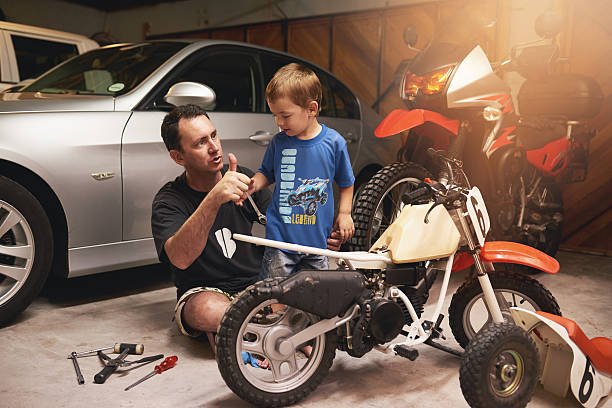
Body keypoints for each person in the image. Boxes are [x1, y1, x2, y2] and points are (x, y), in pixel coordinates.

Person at [151, 104, 343, 355]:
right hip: (206, 292)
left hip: (258, 283)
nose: (214, 147)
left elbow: (287, 225)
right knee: (205, 310)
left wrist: (321, 239)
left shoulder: (243, 179)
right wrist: (214, 198)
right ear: (178, 157)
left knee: (324, 276)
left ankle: (246, 333)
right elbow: (180, 258)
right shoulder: (169, 200)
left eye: (213, 135)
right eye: (200, 143)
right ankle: (275, 329)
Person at [248, 62, 355, 280]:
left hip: (318, 245)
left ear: (311, 109)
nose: (279, 122)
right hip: (280, 242)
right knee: (275, 298)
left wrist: (345, 214)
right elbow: (266, 173)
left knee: (315, 301)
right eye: (274, 115)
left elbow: (346, 183)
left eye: (285, 116)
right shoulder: (279, 143)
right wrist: (253, 184)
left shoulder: (334, 143)